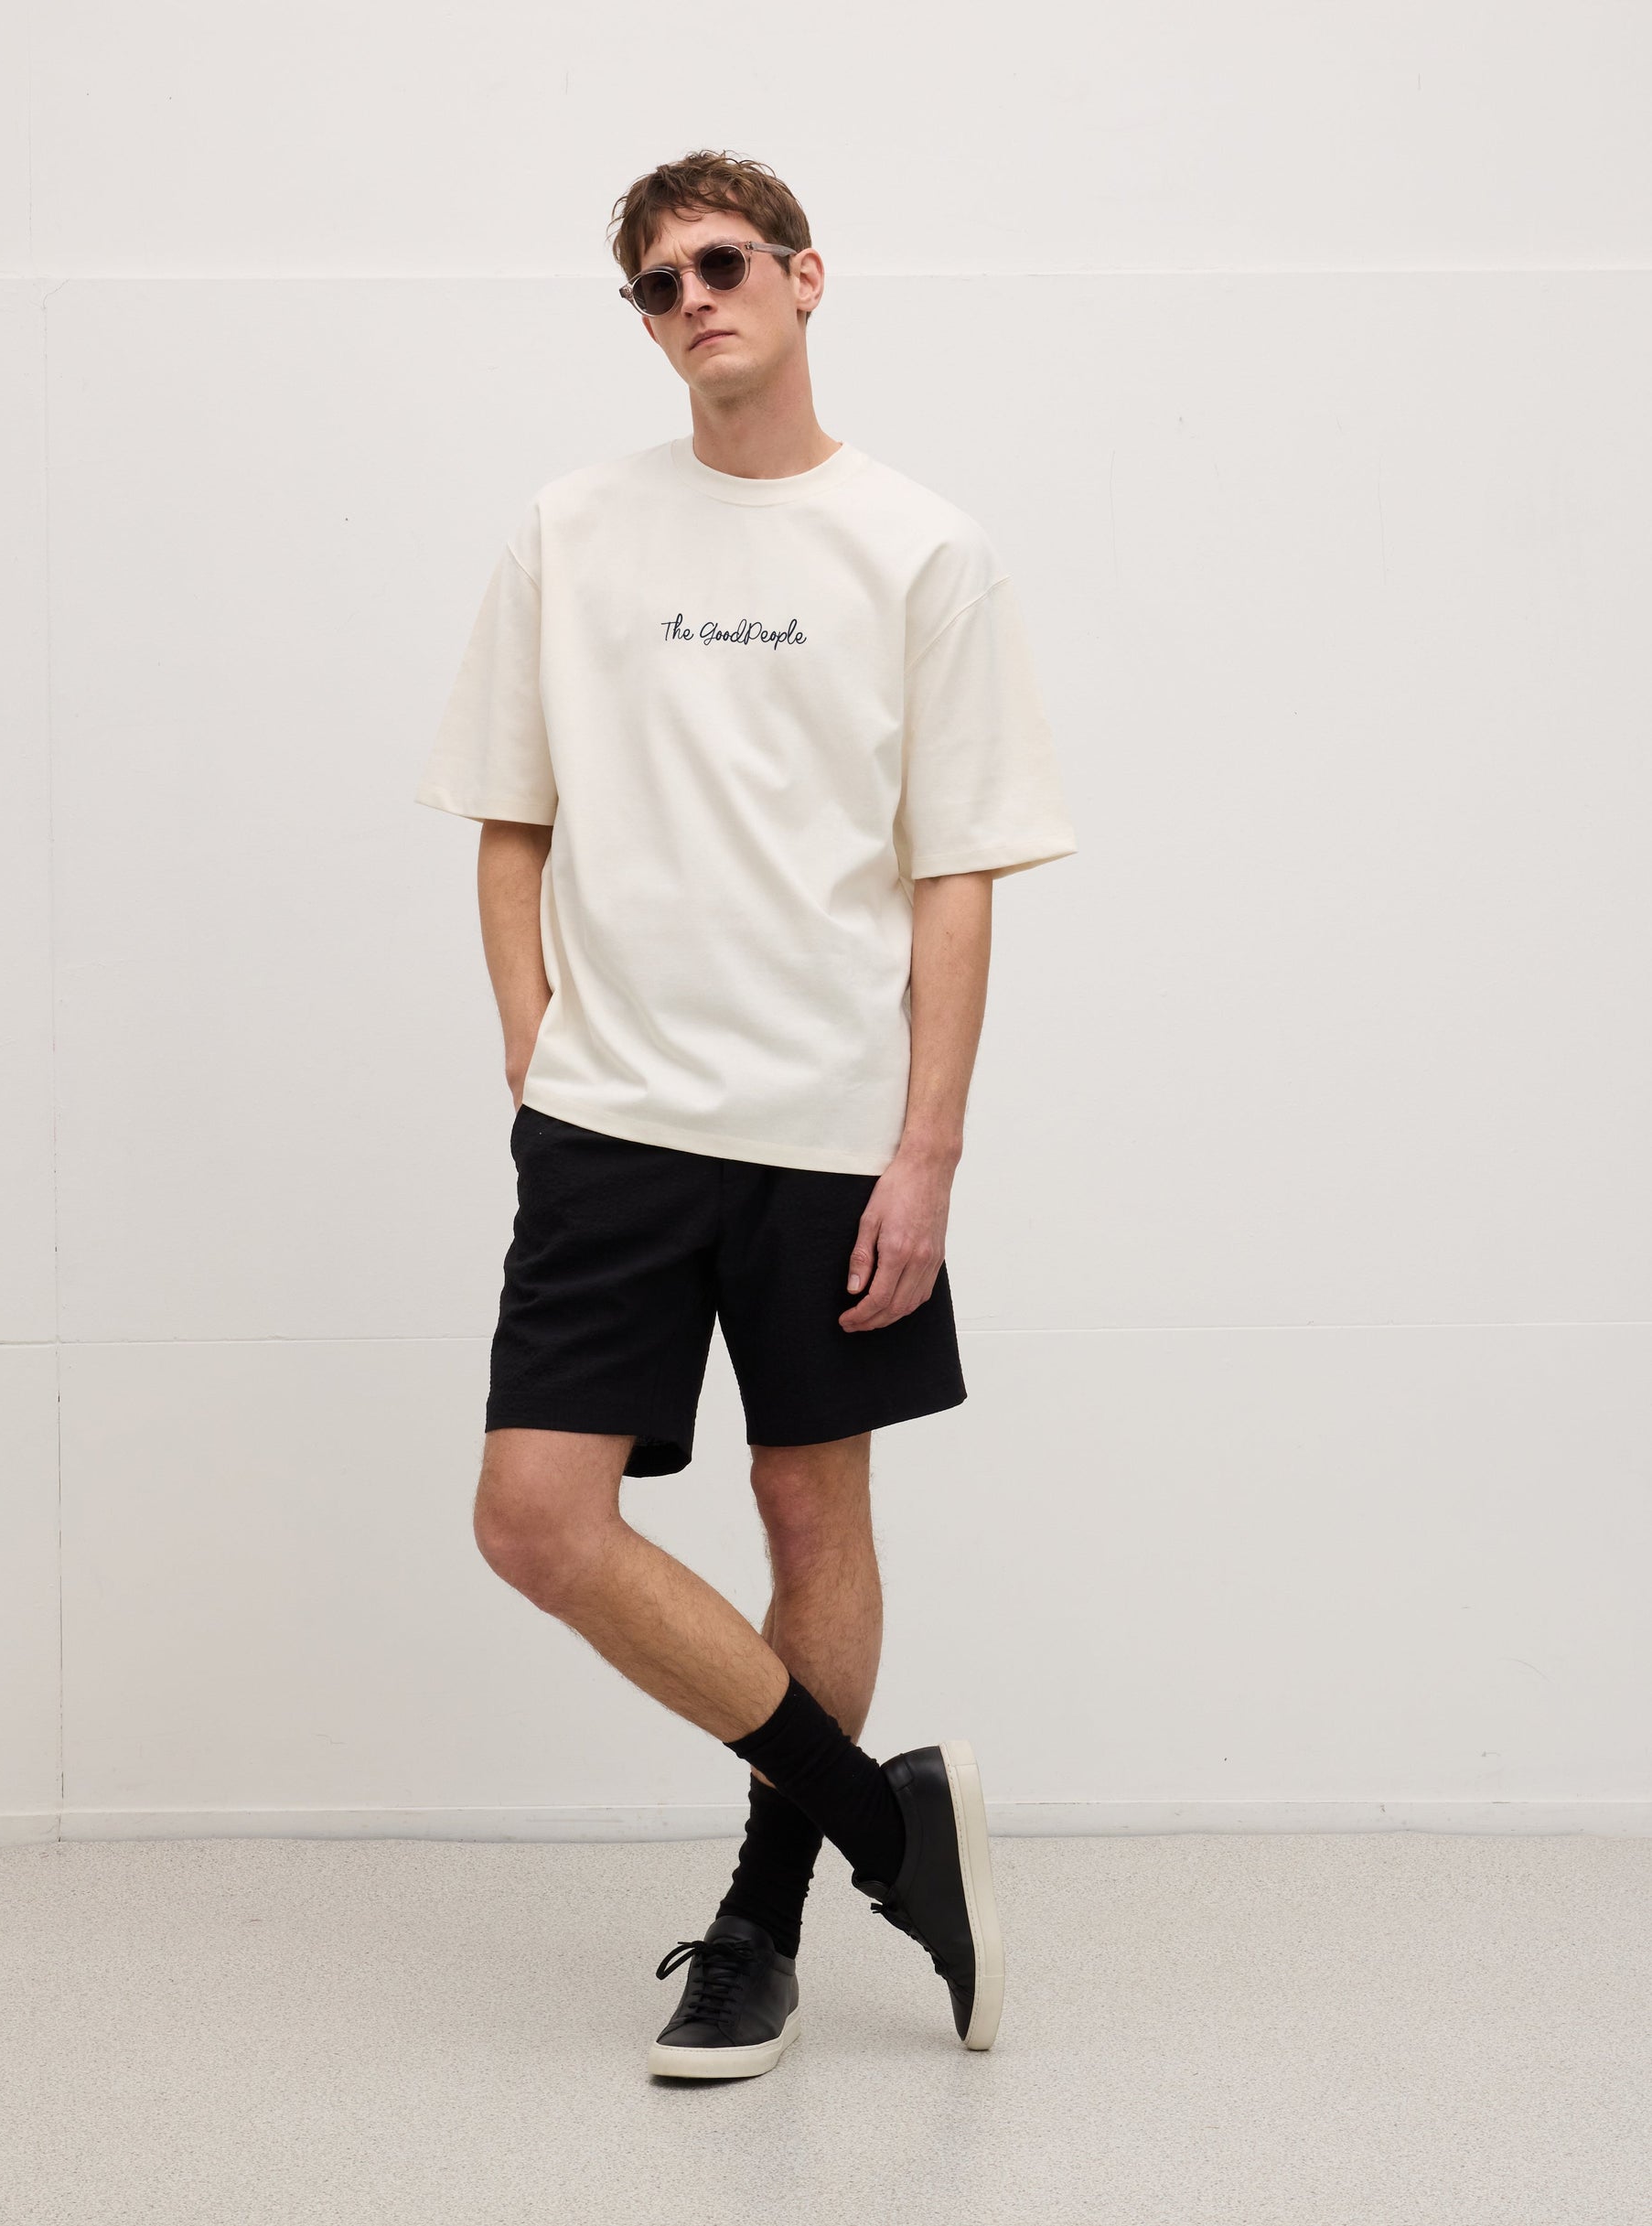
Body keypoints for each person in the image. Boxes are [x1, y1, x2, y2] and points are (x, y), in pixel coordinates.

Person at [414, 148, 1076, 2081]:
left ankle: (763, 1921)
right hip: (609, 1117)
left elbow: (956, 871)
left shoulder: (920, 548)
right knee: (536, 1518)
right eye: (654, 283)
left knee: (809, 1506)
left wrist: (926, 1148)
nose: (691, 298)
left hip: (827, 1129)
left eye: (719, 263)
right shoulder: (571, 529)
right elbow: (509, 817)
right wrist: (533, 1046)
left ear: (802, 278)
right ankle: (891, 1827)